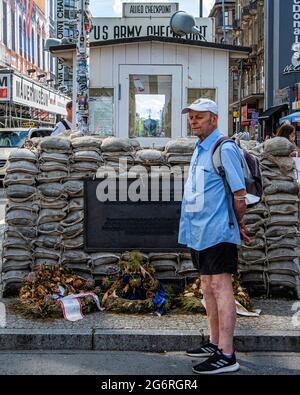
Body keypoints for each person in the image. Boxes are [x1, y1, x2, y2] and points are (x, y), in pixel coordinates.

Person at [179, 98, 249, 375]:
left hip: (218, 230)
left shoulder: (225, 148)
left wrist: (238, 223)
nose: (193, 121)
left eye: (199, 117)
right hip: (199, 231)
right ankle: (214, 342)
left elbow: (239, 195)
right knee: (207, 287)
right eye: (192, 117)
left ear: (214, 119)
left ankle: (227, 354)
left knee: (221, 288)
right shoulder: (199, 149)